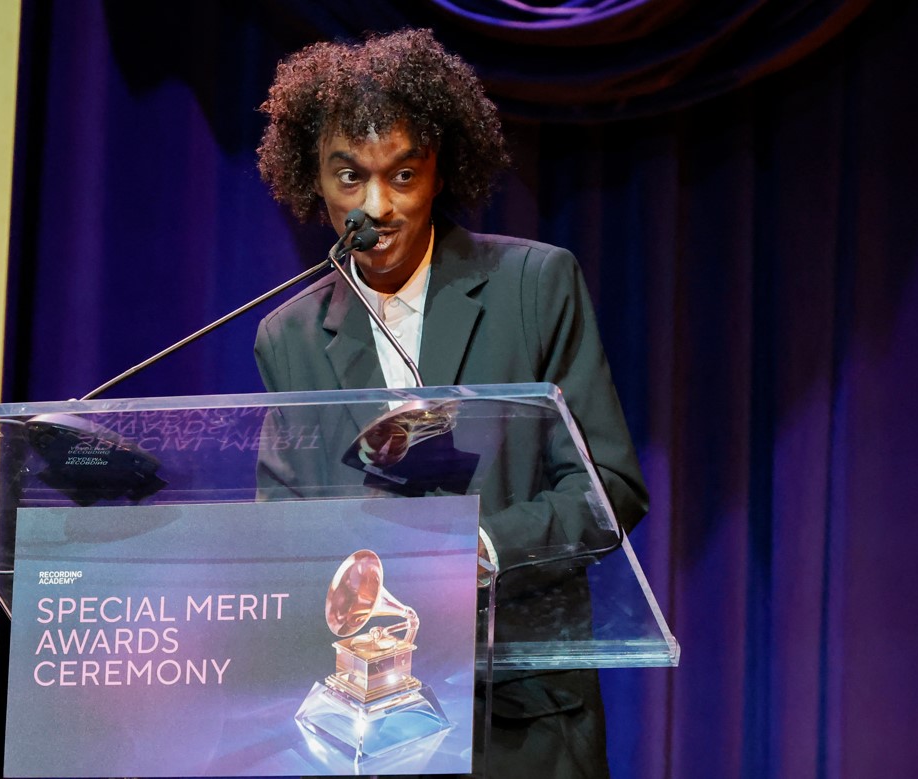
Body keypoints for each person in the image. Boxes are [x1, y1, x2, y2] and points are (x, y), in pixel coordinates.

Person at [253, 28, 648, 779]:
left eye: (403, 175)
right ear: (314, 180)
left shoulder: (535, 286)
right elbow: (285, 527)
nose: (377, 206)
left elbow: (609, 490)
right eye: (350, 177)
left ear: (440, 170)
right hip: (364, 735)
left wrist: (482, 550)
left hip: (521, 718)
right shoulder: (290, 335)